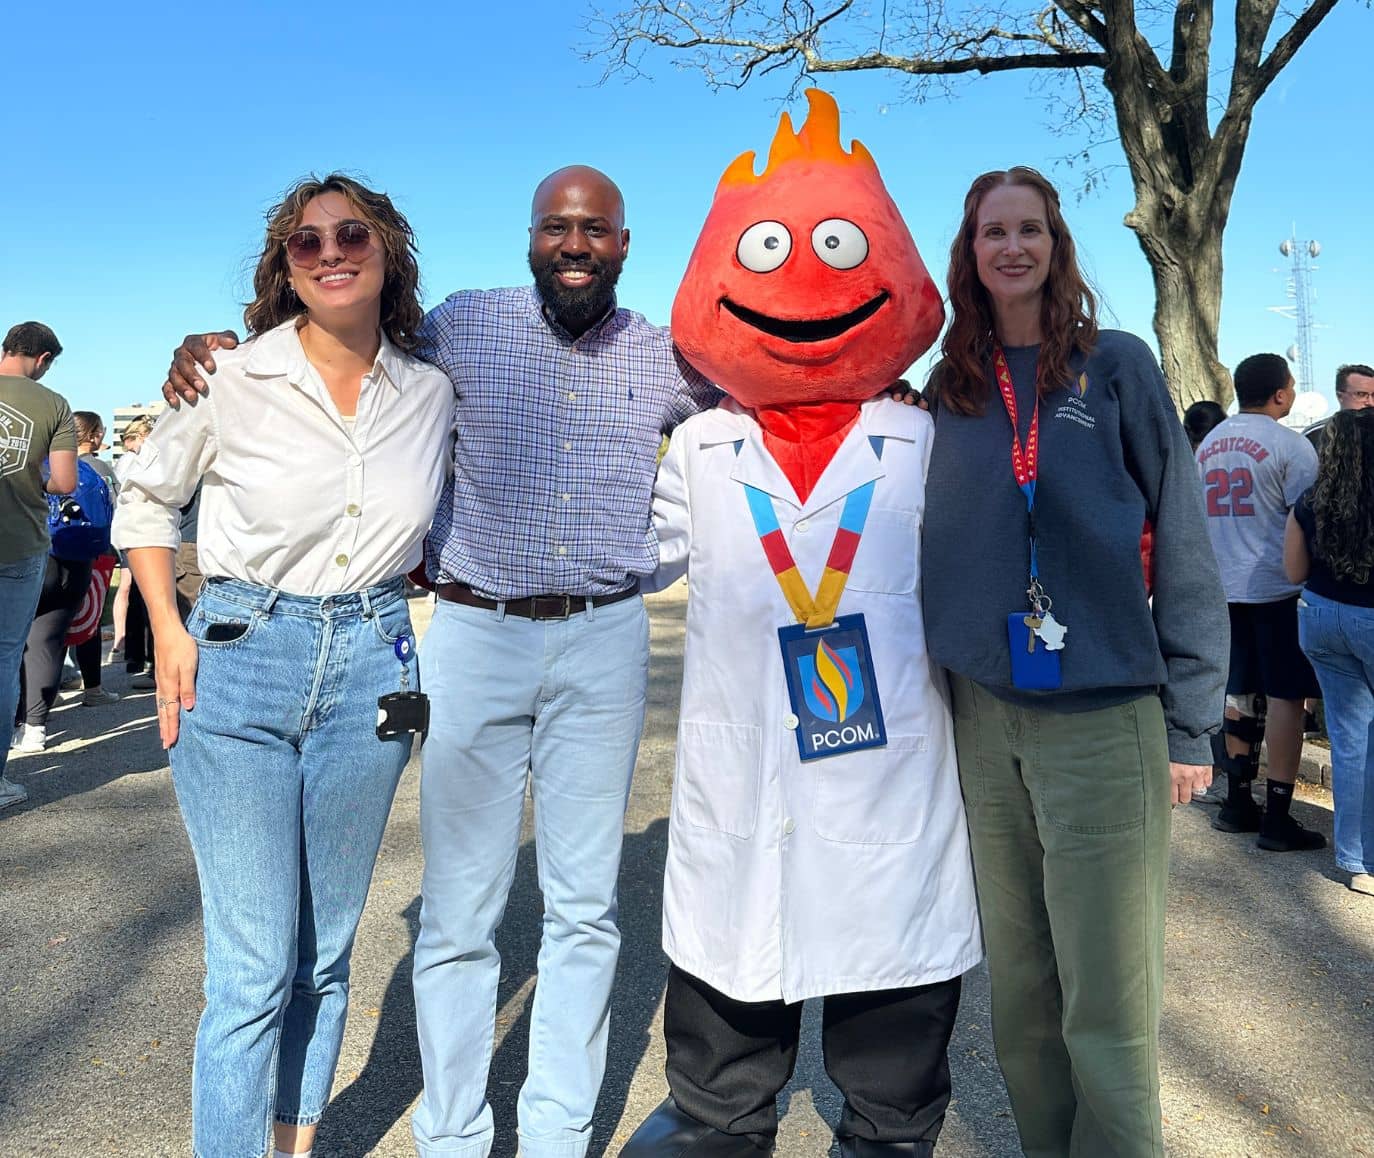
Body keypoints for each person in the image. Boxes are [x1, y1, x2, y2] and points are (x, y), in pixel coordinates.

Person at [167, 164, 720, 1158]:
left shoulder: (667, 357)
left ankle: (554, 1136)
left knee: (586, 912)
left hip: (604, 638)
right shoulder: (462, 325)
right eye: (556, 225)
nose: (575, 243)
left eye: (595, 228)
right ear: (530, 236)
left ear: (626, 243)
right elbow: (337, 338)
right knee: (461, 912)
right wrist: (207, 349)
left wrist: (886, 383)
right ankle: (455, 1137)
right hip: (474, 636)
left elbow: (782, 384)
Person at [115, 173, 454, 1158]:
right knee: (254, 967)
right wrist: (169, 630)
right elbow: (145, 501)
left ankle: (292, 1145)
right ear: (285, 267)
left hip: (375, 664)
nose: (331, 251)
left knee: (326, 955)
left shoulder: (430, 390)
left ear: (388, 253)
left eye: (352, 234)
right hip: (239, 658)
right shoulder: (230, 376)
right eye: (306, 242)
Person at [920, 166, 1227, 1158]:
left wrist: (1192, 718)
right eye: (991, 232)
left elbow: (1184, 541)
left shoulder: (1118, 367)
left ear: (1057, 245)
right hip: (985, 713)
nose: (1011, 247)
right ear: (969, 253)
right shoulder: (950, 388)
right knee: (1019, 994)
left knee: (1108, 1001)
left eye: (1031, 230)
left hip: (1101, 718)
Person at [1196, 353, 1325, 851]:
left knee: (1237, 693)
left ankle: (1236, 799)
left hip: (1220, 585)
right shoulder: (1291, 447)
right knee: (1286, 698)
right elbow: (1306, 520)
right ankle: (1277, 814)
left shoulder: (1208, 445)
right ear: (1279, 393)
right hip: (1275, 586)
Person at [1286, 408, 1374, 896]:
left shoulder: (1312, 501)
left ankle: (1359, 861)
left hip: (1320, 616)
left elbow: (1293, 570)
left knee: (1350, 737)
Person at [1, 322, 77, 808]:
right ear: (44, 359)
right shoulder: (54, 405)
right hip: (20, 544)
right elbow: (65, 482)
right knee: (5, 660)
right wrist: (33, 483)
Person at [69, 411, 120, 706]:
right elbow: (117, 506)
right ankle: (93, 689)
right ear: (93, 435)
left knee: (49, 624)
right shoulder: (101, 469)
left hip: (58, 548)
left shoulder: (54, 464)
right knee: (90, 618)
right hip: (97, 550)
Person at [116, 415, 158, 690]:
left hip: (129, 533)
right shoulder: (146, 459)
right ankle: (153, 662)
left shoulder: (125, 463)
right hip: (150, 532)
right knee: (152, 599)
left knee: (131, 593)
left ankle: (134, 656)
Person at [1304, 363, 1374, 453]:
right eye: (1361, 394)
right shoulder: (1314, 435)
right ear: (1339, 396)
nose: (1371, 403)